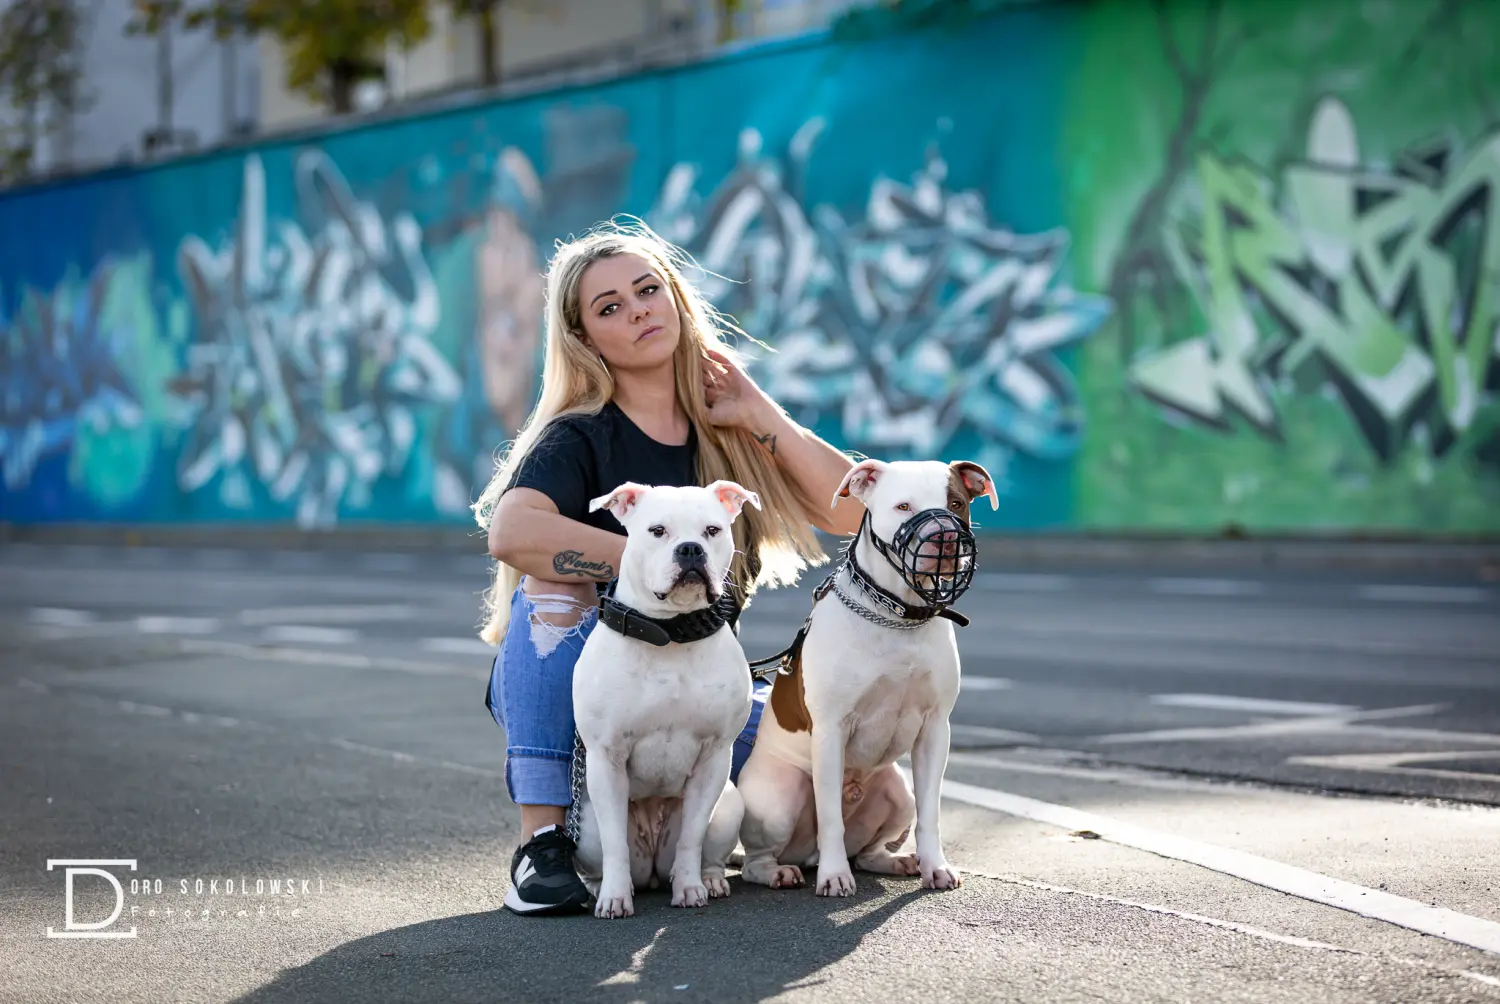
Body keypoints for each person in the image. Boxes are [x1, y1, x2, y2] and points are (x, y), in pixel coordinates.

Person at [472, 217, 864, 916]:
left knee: (838, 796)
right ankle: (542, 847)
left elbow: (852, 513)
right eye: (610, 307)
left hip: (707, 682)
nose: (639, 309)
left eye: (649, 290)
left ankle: (704, 842)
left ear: (678, 301)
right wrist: (644, 559)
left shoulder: (728, 433)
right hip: (603, 687)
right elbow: (511, 530)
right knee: (551, 593)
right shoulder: (581, 436)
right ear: (587, 340)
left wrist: (756, 408)